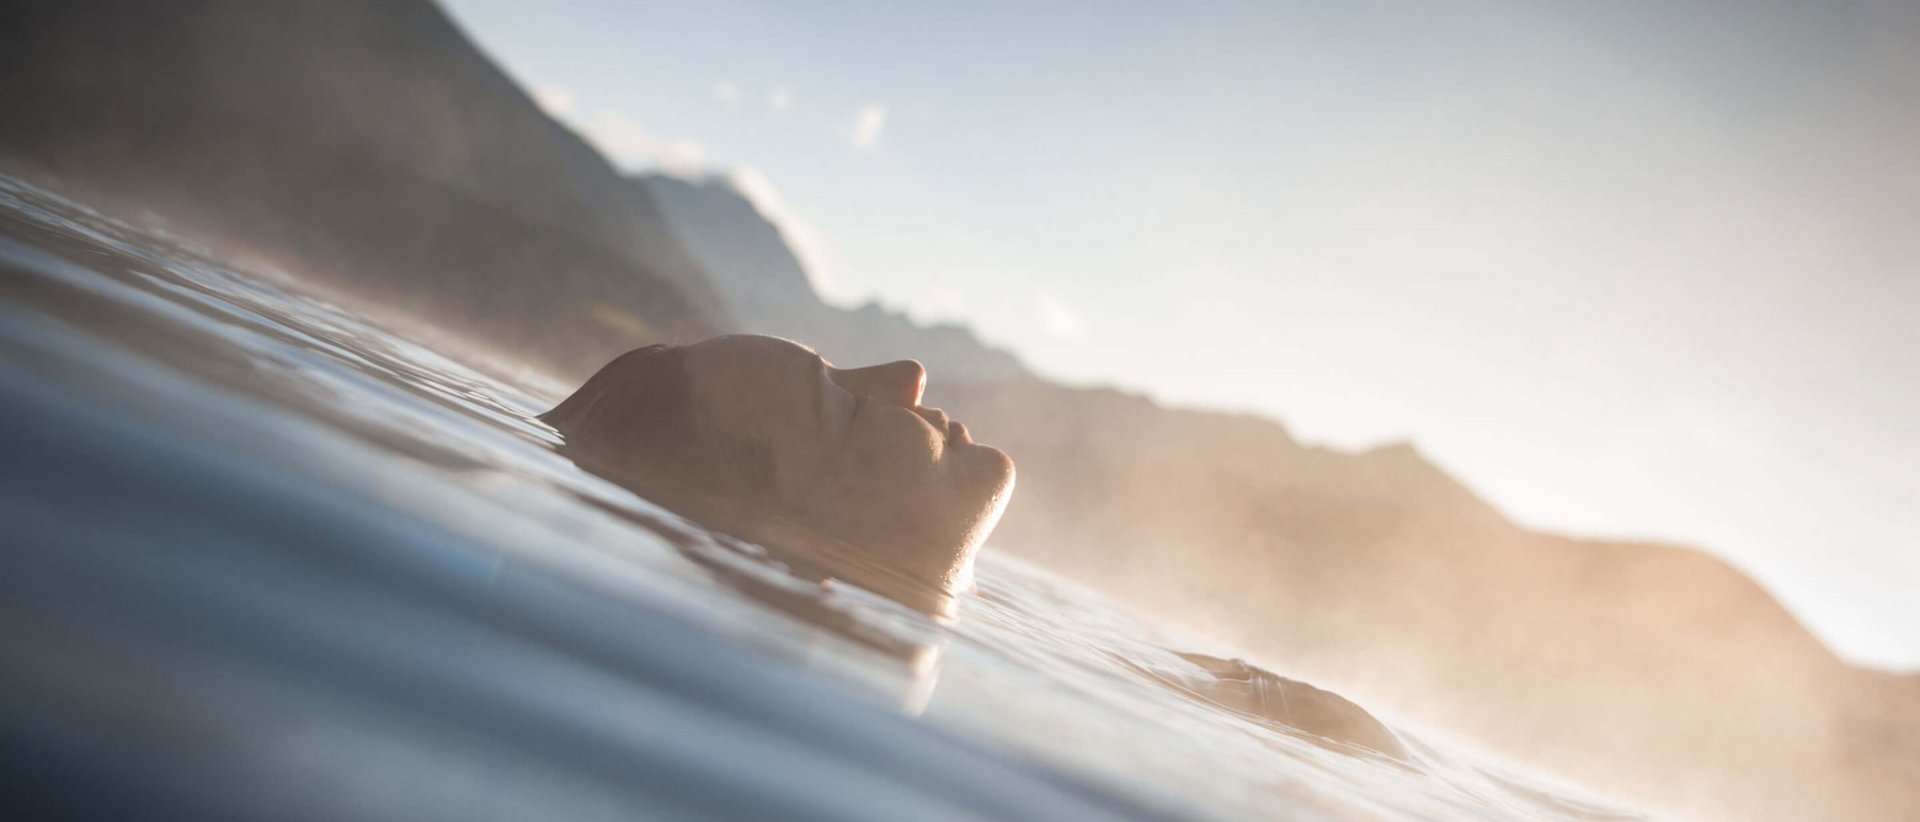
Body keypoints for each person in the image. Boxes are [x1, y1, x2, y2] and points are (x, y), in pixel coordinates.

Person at [544, 334, 1405, 760]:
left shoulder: (1026, 660)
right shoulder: (915, 735)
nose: (904, 379)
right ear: (784, 542)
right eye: (841, 407)